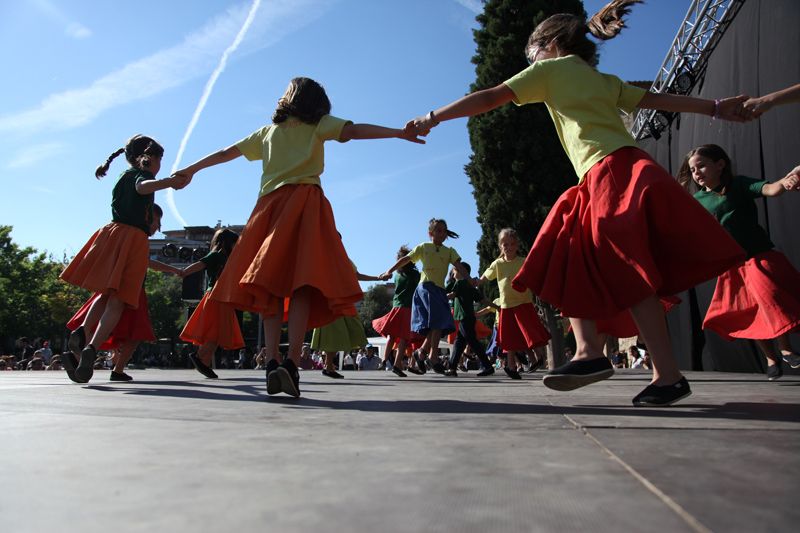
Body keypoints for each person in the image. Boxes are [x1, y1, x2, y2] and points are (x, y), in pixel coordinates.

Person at [405, 1, 749, 406]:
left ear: (547, 46)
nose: (528, 63)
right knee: (578, 250)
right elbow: (660, 100)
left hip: (608, 173)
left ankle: (618, 360)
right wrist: (713, 107)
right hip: (622, 170)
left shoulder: (550, 69)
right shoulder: (603, 80)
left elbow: (491, 96)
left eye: (529, 56)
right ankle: (614, 360)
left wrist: (433, 116)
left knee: (590, 257)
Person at [173, 77, 424, 398]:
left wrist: (190, 170)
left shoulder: (267, 133)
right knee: (305, 283)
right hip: (306, 205)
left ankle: (273, 362)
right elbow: (355, 130)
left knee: (269, 284)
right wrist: (399, 133)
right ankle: (291, 362)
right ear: (317, 103)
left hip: (270, 209)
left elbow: (225, 153)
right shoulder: (319, 125)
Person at [61, 135, 186, 383]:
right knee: (118, 302)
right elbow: (143, 187)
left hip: (112, 233)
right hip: (133, 239)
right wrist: (169, 182)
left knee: (104, 293)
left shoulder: (122, 177)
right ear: (149, 158)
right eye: (160, 160)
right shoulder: (144, 175)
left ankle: (83, 332)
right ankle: (92, 347)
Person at [678, 144, 800, 380]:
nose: (697, 173)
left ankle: (785, 348)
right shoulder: (698, 200)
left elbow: (770, 189)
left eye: (701, 166)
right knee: (747, 311)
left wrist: (786, 182)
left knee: (768, 298)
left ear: (720, 164)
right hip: (731, 266)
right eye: (693, 170)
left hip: (757, 257)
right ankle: (771, 358)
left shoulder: (739, 185)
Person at [65, 204, 182, 382]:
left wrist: (173, 270)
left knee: (94, 324)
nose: (157, 228)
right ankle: (117, 370)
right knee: (136, 333)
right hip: (131, 291)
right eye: (157, 222)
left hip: (107, 289)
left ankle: (77, 357)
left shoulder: (123, 235)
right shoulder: (138, 239)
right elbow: (148, 262)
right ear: (148, 217)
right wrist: (175, 270)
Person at [380, 218, 469, 375]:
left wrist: (470, 280)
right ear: (431, 233)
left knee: (440, 325)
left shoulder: (449, 251)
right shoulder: (424, 247)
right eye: (438, 230)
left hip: (440, 290)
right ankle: (433, 357)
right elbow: (406, 259)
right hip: (427, 287)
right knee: (436, 322)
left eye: (444, 231)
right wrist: (389, 270)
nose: (442, 234)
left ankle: (421, 352)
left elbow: (459, 266)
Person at [476, 228, 550, 379]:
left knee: (530, 333)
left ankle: (538, 356)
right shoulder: (497, 264)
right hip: (506, 306)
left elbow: (534, 275)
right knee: (509, 338)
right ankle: (511, 367)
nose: (508, 247)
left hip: (523, 303)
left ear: (517, 246)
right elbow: (485, 276)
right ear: (500, 246)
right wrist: (477, 282)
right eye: (505, 244)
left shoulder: (523, 262)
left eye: (512, 244)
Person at [179, 228, 244, 379]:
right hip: (215, 295)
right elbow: (201, 264)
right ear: (227, 243)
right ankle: (200, 356)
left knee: (218, 331)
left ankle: (204, 361)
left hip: (223, 296)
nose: (237, 246)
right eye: (235, 243)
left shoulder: (229, 258)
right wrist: (184, 272)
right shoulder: (217, 255)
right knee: (215, 330)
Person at [311, 262, 383, 379]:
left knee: (351, 329)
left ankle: (328, 366)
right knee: (334, 332)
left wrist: (377, 278)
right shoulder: (324, 253)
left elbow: (356, 275)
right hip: (330, 299)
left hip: (342, 299)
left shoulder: (342, 257)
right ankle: (328, 366)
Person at [372, 245, 424, 377]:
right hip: (407, 307)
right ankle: (396, 364)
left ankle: (384, 361)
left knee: (392, 335)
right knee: (404, 338)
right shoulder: (414, 274)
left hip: (396, 306)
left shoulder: (397, 275)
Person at [444, 263, 495, 378]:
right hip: (468, 317)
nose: (453, 273)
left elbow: (452, 295)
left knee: (472, 342)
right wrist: (496, 307)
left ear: (462, 272)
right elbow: (482, 300)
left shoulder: (460, 283)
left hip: (464, 317)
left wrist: (438, 296)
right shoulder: (470, 285)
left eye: (454, 270)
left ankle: (488, 366)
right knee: (459, 343)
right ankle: (452, 368)